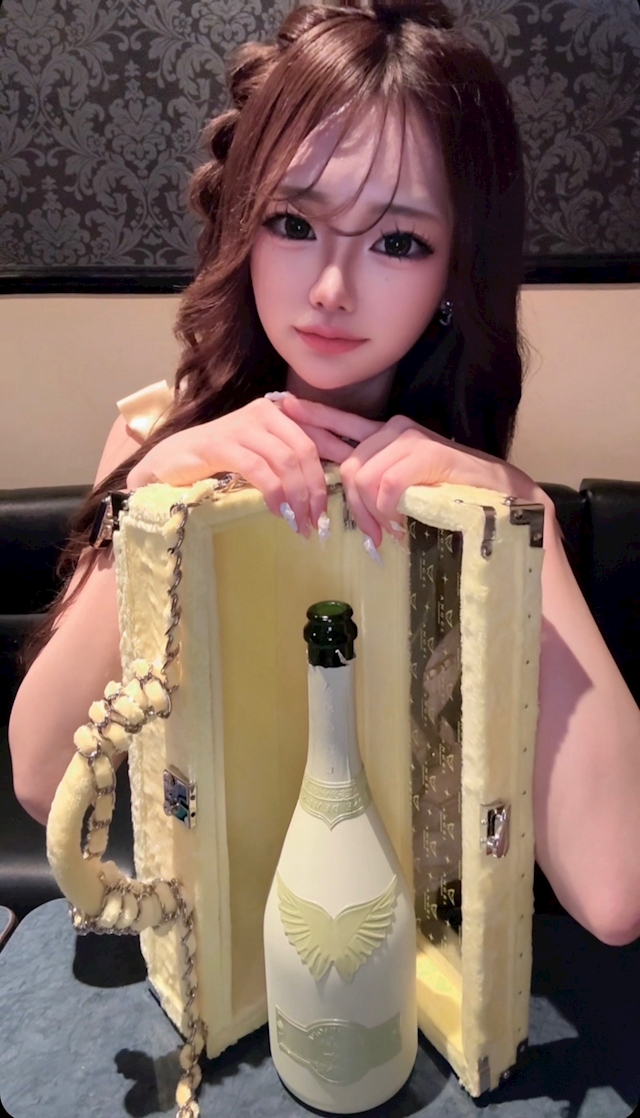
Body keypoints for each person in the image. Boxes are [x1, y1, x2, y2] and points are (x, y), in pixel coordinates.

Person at [8, 0, 640, 946]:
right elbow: (40, 776)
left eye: (397, 241)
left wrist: (524, 513)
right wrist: (154, 492)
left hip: (408, 961)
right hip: (215, 952)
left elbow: (615, 889)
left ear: (454, 272)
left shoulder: (472, 500)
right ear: (243, 222)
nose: (332, 287)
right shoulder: (154, 434)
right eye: (293, 221)